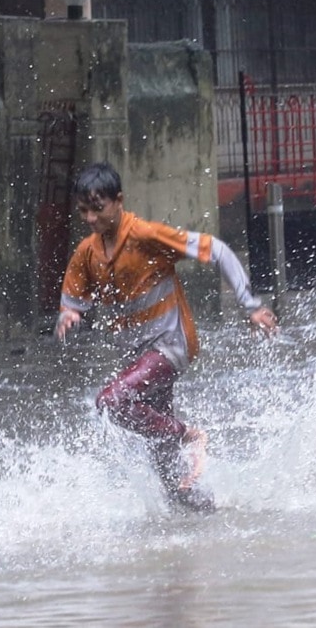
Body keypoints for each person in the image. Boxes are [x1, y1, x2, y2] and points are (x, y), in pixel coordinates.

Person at [55, 162, 277, 510]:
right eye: (84, 211)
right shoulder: (87, 252)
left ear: (119, 201)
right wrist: (70, 315)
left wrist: (250, 305)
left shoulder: (146, 236)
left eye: (98, 209)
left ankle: (189, 433)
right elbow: (73, 301)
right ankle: (212, 515)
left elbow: (216, 250)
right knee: (175, 488)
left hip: (170, 345)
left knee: (110, 403)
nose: (91, 218)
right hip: (138, 358)